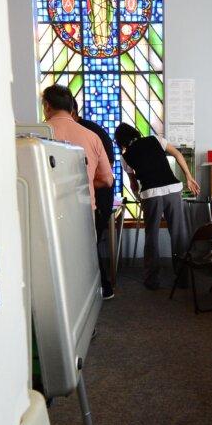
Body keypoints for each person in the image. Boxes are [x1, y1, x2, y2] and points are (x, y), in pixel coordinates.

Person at [113, 122, 200, 290]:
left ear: (121, 142)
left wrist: (139, 197)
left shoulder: (125, 157)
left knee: (151, 236)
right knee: (178, 234)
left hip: (150, 195)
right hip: (172, 189)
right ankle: (183, 279)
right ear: (135, 132)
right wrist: (188, 177)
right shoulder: (156, 139)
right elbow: (177, 155)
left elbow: (134, 184)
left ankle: (152, 280)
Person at [71, 99, 117, 300]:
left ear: (72, 112)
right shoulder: (93, 131)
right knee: (90, 244)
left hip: (98, 197)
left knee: (89, 245)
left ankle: (102, 287)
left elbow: (106, 176)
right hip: (96, 196)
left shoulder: (88, 133)